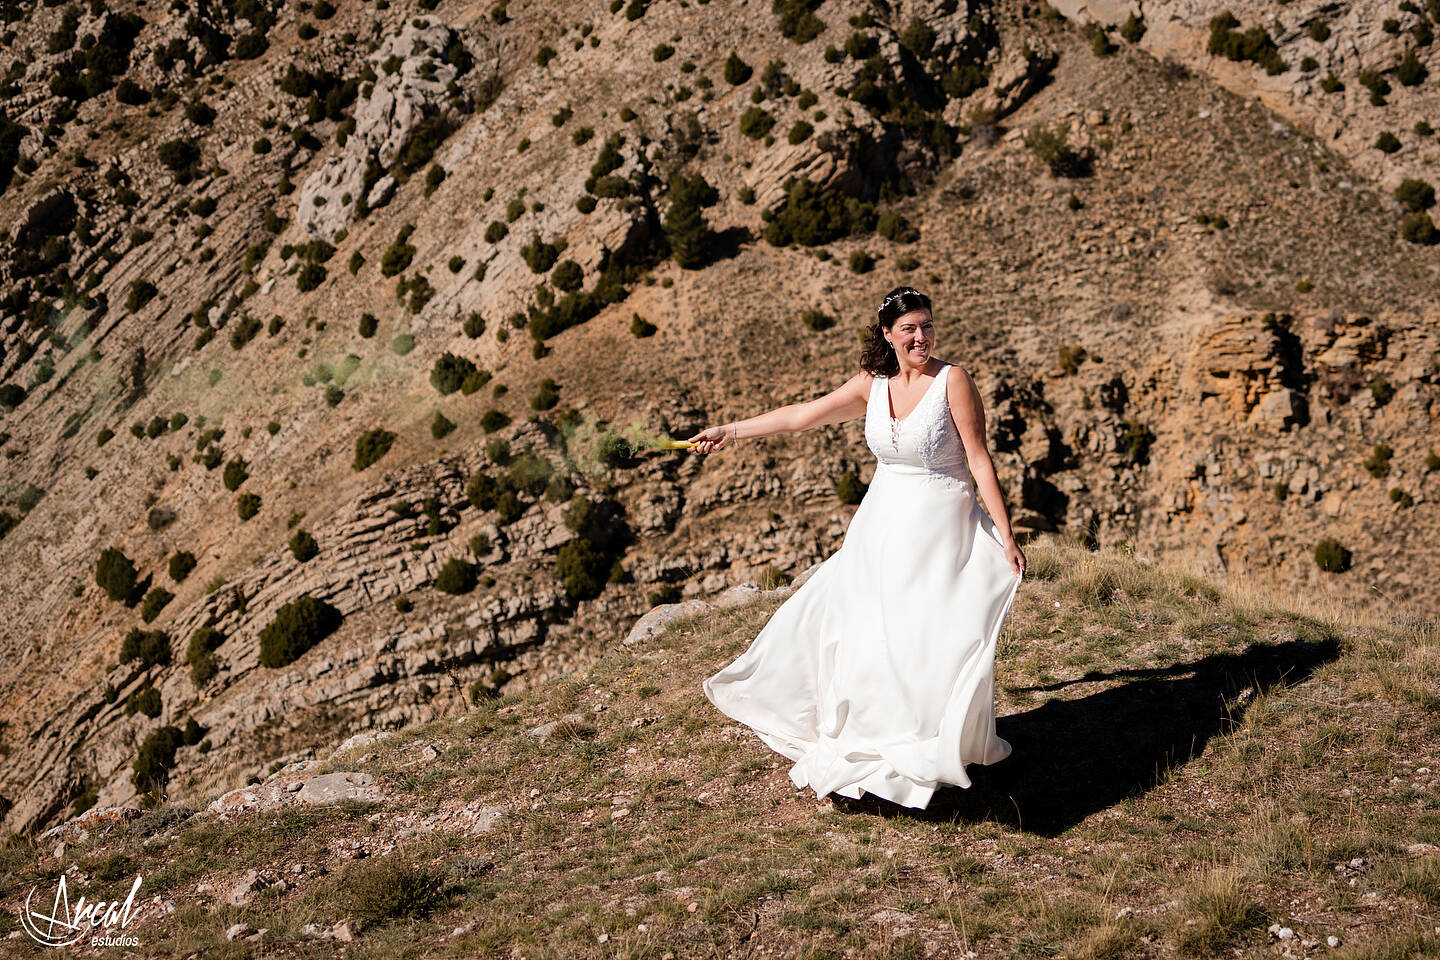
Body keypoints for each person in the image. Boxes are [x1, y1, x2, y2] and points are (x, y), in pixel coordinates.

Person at [686, 285, 1026, 809]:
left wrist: (1005, 533)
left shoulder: (952, 380)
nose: (921, 336)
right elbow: (803, 415)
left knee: (922, 637)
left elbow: (979, 458)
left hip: (939, 526)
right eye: (909, 328)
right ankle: (877, 739)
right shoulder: (872, 383)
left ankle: (926, 745)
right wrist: (730, 431)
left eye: (927, 325)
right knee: (869, 633)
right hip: (880, 524)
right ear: (888, 335)